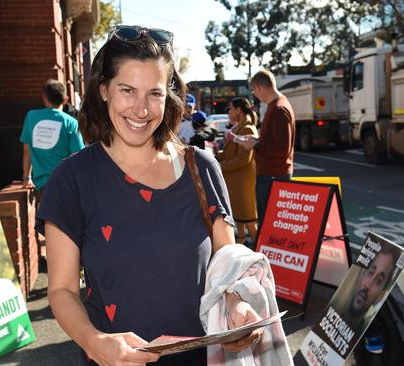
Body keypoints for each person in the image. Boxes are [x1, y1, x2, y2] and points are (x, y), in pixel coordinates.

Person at [37, 25, 268, 365]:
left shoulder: (201, 168)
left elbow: (227, 263)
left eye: (155, 94)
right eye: (127, 90)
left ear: (169, 95)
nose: (141, 109)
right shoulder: (71, 180)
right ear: (104, 90)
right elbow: (62, 290)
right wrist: (95, 342)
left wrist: (238, 305)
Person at [237, 69, 295, 228]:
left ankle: (268, 253)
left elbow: (282, 149)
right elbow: (276, 142)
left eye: (254, 91)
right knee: (269, 225)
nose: (255, 95)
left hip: (273, 177)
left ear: (260, 88)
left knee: (270, 226)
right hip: (272, 176)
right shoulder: (277, 106)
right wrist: (257, 141)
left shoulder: (278, 109)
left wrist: (255, 144)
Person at [20, 79, 85, 194]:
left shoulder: (31, 117)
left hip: (43, 185)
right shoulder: (71, 122)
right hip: (67, 184)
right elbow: (79, 155)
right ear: (65, 100)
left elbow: (26, 150)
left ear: (44, 98)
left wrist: (27, 178)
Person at [334, 245, 401, 336]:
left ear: (380, 295)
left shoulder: (374, 334)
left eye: (378, 281)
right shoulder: (334, 310)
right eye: (370, 273)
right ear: (360, 275)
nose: (368, 285)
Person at [218, 97, 258, 246]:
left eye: (231, 108)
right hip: (237, 182)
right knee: (241, 219)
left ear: (239, 110)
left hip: (242, 183)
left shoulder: (247, 128)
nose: (229, 112)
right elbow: (232, 152)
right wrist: (219, 155)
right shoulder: (240, 126)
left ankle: (263, 253)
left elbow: (243, 159)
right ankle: (242, 242)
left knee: (249, 221)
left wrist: (221, 166)